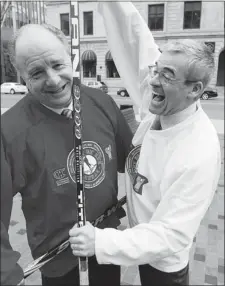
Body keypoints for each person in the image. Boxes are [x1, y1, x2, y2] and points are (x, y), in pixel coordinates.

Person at [69, 3, 221, 286]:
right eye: (156, 69)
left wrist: (101, 241)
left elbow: (170, 234)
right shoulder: (160, 102)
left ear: (195, 90)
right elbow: (136, 40)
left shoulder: (200, 151)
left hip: (163, 262)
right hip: (137, 243)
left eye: (167, 75)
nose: (152, 80)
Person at [1, 23, 133, 286]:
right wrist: (6, 273)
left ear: (69, 56)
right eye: (36, 72)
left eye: (58, 65)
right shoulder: (9, 132)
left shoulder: (101, 102)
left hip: (106, 243)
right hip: (58, 261)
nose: (52, 79)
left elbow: (133, 162)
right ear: (21, 75)